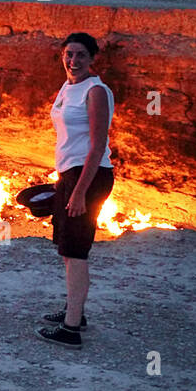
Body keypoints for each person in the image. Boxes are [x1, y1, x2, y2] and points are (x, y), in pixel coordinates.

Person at [37, 32, 115, 349]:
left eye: (81, 55)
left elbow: (97, 147)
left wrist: (80, 192)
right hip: (70, 174)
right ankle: (75, 311)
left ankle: (71, 330)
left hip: (90, 176)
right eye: (69, 54)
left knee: (76, 251)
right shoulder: (68, 86)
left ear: (92, 58)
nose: (74, 60)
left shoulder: (96, 91)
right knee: (68, 251)